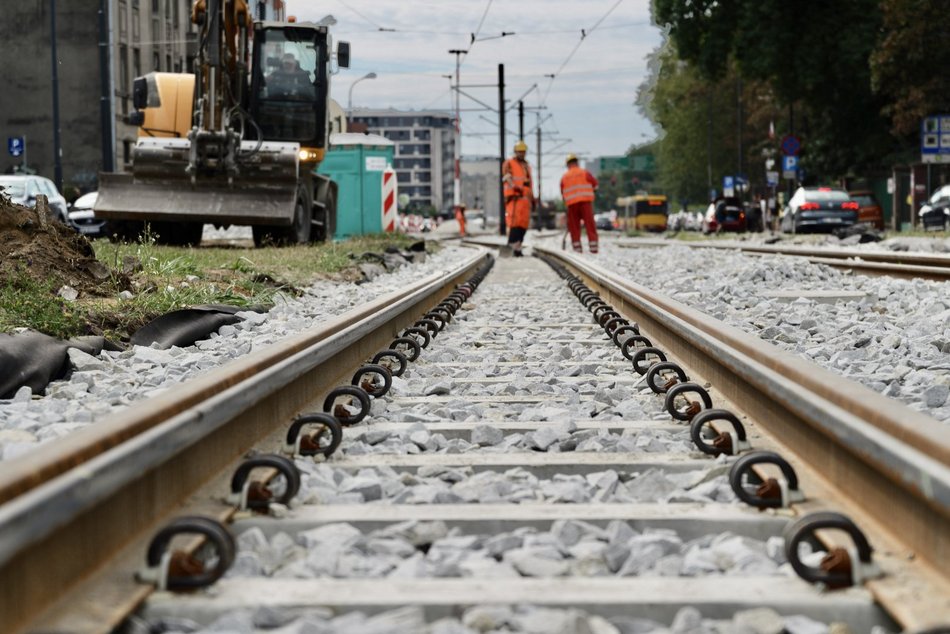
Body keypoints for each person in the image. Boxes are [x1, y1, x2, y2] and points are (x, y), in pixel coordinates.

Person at [560, 153, 599, 253]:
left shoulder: (565, 177)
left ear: (567, 164)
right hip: (585, 203)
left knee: (574, 228)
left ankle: (577, 249)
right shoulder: (585, 172)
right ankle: (593, 249)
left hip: (572, 205)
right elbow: (595, 185)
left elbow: (563, 193)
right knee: (590, 225)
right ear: (577, 162)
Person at [502, 140, 534, 256]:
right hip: (514, 198)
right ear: (515, 152)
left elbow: (529, 183)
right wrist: (514, 187)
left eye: (523, 152)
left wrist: (533, 199)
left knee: (523, 224)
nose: (521, 154)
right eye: (519, 151)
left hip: (525, 199)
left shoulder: (526, 166)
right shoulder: (509, 163)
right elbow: (507, 176)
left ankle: (518, 247)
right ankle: (512, 246)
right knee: (514, 223)